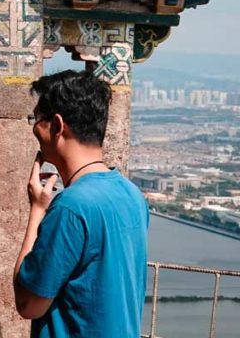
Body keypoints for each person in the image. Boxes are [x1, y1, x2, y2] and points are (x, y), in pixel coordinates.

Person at [13, 70, 149, 337]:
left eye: (36, 119)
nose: (33, 129)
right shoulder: (132, 195)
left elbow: (28, 303)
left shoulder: (70, 207)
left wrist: (37, 210)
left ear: (57, 125)